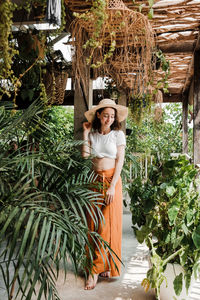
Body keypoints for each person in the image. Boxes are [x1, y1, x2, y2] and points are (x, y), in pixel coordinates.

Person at [82, 98, 128, 290]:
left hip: (112, 182)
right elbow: (85, 156)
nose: (109, 118)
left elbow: (120, 162)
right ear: (99, 115)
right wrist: (85, 133)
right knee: (93, 223)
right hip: (94, 180)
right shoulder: (92, 134)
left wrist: (112, 186)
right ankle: (101, 266)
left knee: (108, 225)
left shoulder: (118, 135)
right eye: (106, 115)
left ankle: (96, 270)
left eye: (112, 115)